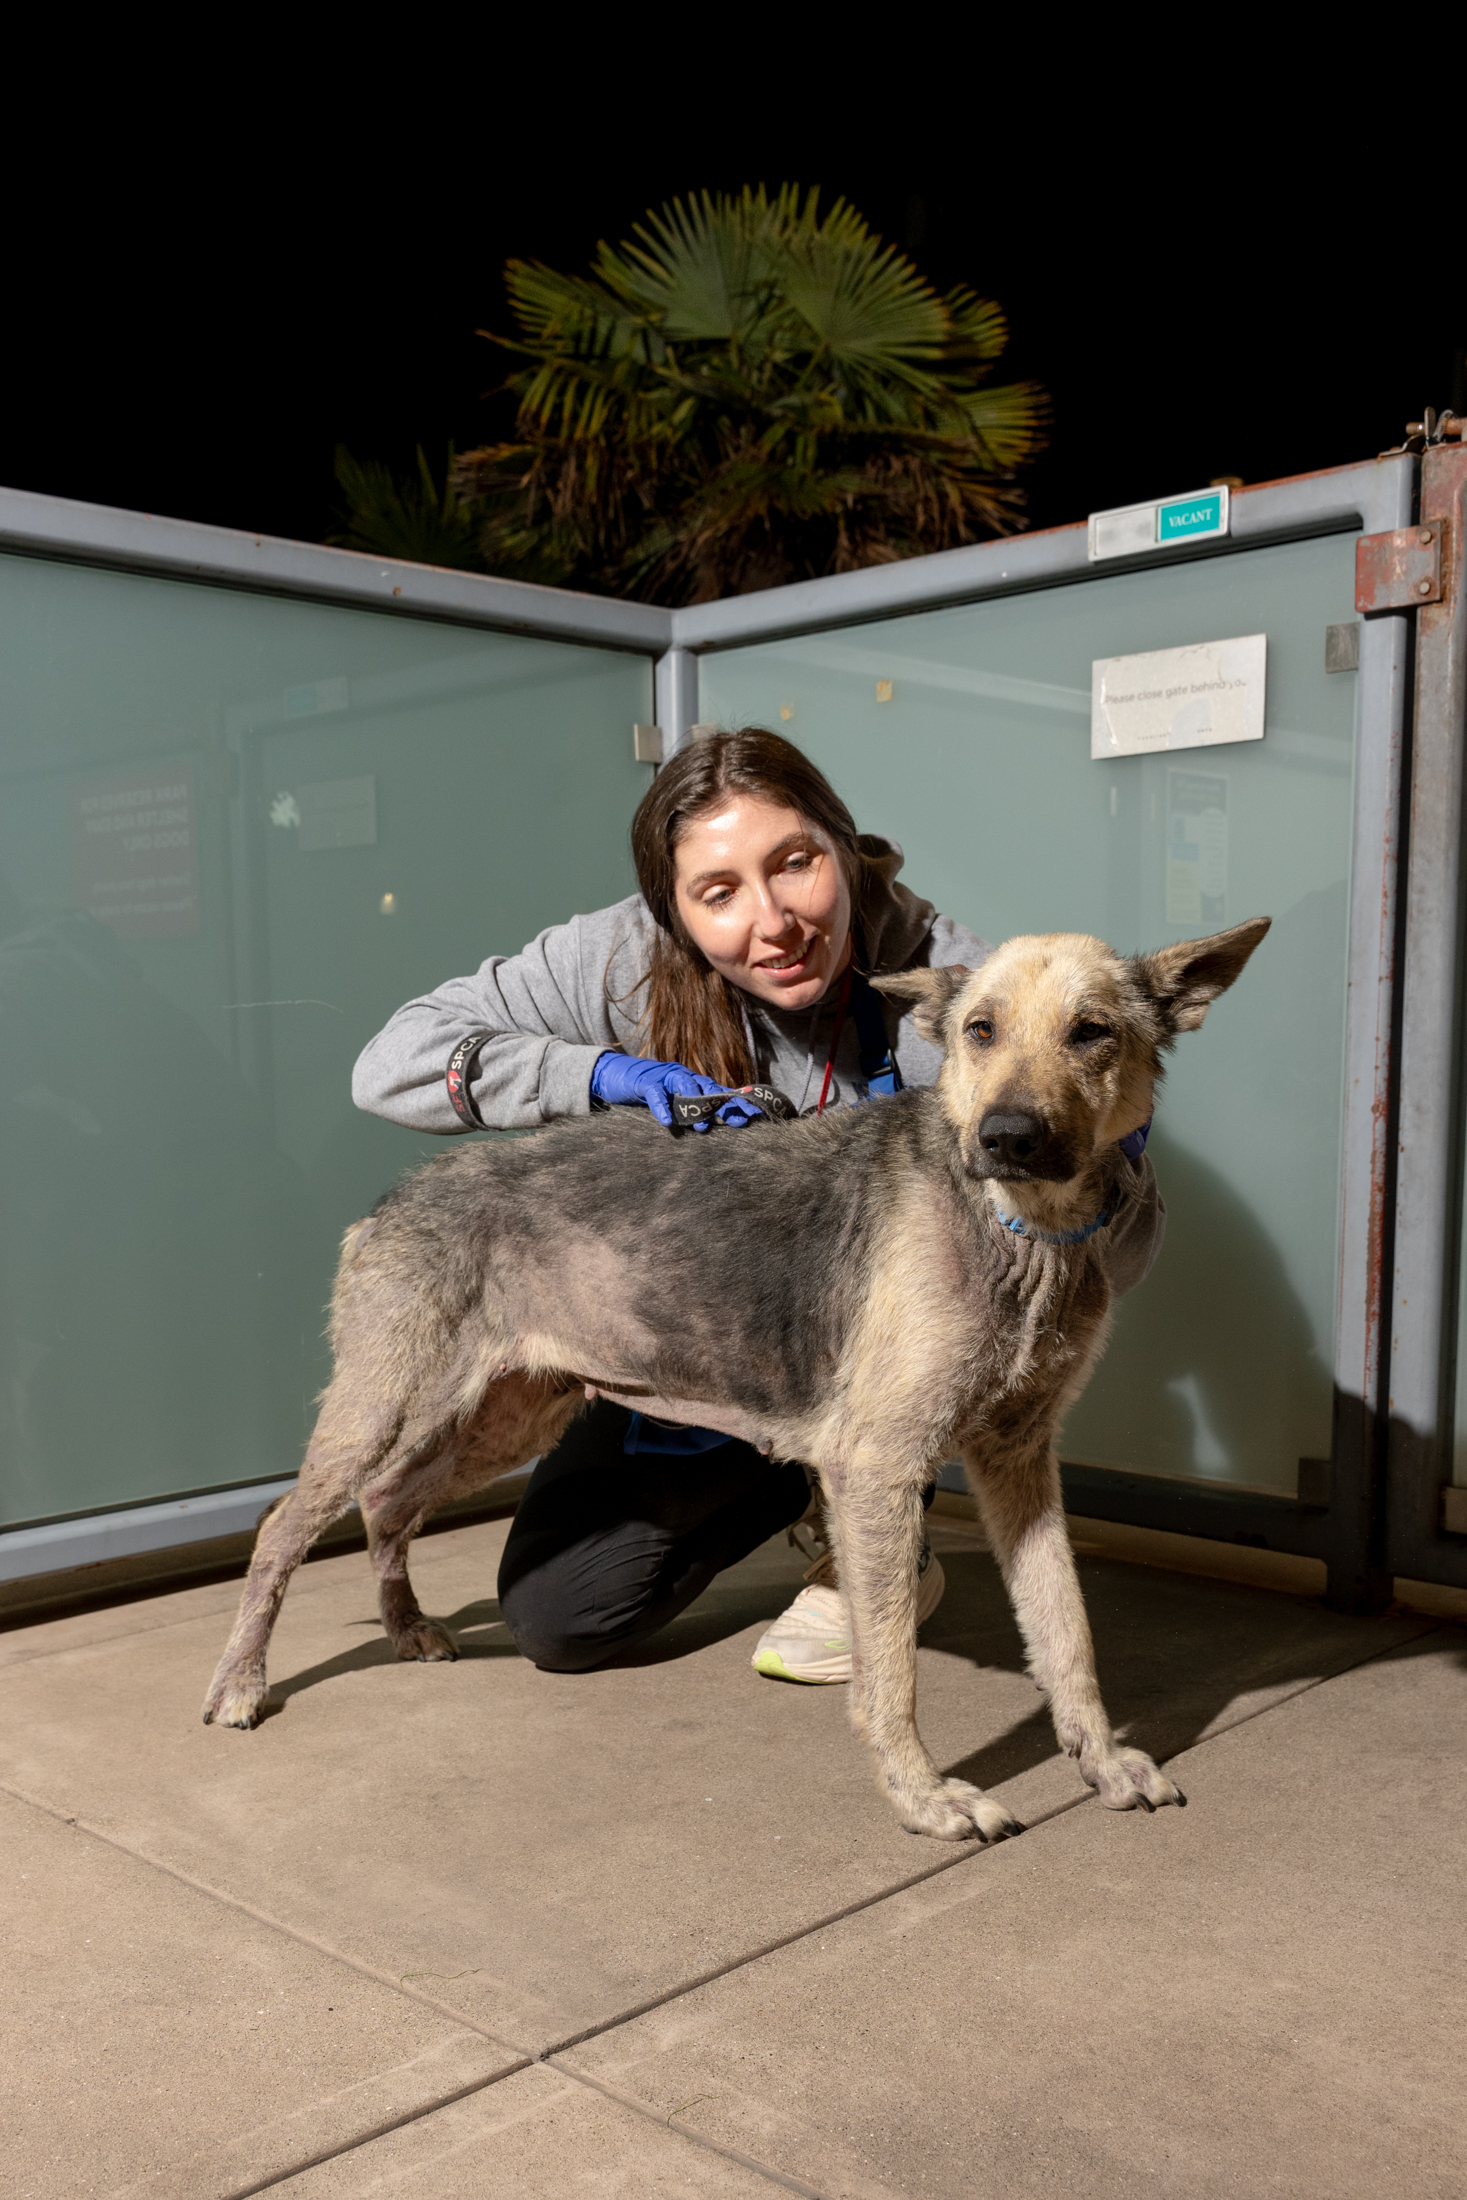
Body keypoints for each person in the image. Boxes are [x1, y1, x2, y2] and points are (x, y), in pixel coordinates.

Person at [352, 729, 1163, 1682]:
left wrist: (1103, 1165)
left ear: (843, 847)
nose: (772, 919)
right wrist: (594, 1075)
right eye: (719, 892)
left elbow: (1102, 1259)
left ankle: (870, 1510)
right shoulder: (614, 954)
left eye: (795, 864)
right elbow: (388, 1065)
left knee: (892, 1403)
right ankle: (792, 1492)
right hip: (686, 1345)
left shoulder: (957, 991)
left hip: (863, 1367)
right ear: (674, 907)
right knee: (561, 1617)